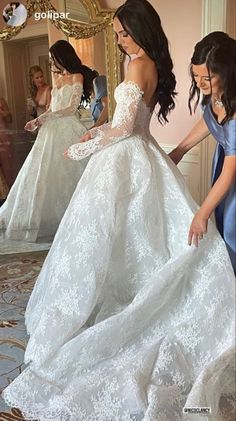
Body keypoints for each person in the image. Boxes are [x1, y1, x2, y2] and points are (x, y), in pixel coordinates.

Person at [2, 2, 235, 419]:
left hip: (127, 159)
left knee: (125, 240)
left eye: (126, 33)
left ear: (141, 32)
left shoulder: (138, 64)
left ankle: (122, 310)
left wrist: (85, 146)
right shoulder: (144, 64)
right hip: (135, 157)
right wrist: (98, 130)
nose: (121, 40)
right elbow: (132, 123)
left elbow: (126, 128)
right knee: (123, 241)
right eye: (119, 34)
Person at [0, 40, 96, 251]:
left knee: (70, 173)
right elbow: (52, 107)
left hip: (69, 127)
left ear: (63, 56)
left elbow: (71, 108)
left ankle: (78, 220)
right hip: (50, 129)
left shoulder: (76, 76)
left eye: (54, 57)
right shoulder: (57, 79)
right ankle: (43, 222)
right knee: (43, 174)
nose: (52, 61)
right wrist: (38, 120)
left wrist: (45, 118)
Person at [169, 31, 236, 274]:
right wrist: (180, 151)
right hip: (226, 167)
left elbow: (229, 174)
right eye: (195, 75)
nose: (199, 83)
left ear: (227, 72)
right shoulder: (214, 95)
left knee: (231, 233)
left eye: (206, 77)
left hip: (232, 173)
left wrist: (202, 213)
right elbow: (209, 121)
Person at [0, 97, 13, 191]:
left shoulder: (1, 100)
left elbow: (9, 118)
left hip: (3, 135)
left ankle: (8, 194)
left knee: (6, 165)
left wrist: (3, 113)